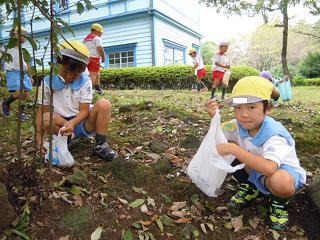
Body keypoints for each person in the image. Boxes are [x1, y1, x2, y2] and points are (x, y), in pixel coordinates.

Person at [206, 76, 306, 230]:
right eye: (238, 108)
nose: (243, 114)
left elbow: (269, 169)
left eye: (251, 107)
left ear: (268, 108)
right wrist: (214, 117)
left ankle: (278, 204)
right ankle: (250, 186)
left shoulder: (275, 134)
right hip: (255, 171)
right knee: (224, 144)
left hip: (280, 175)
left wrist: (234, 149)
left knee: (281, 181)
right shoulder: (236, 125)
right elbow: (217, 135)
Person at [36, 40, 117, 161]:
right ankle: (66, 140)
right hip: (61, 126)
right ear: (56, 64)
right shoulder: (48, 83)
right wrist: (39, 138)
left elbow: (84, 111)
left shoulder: (85, 81)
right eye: (65, 72)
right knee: (47, 117)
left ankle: (100, 144)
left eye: (75, 75)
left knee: (104, 104)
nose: (69, 77)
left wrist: (72, 123)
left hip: (82, 123)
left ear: (82, 71)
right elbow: (42, 112)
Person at [0, 27, 33, 121]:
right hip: (13, 72)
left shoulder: (24, 51)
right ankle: (6, 103)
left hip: (24, 73)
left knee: (25, 94)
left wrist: (30, 76)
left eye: (25, 36)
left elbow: (28, 64)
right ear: (14, 35)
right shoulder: (7, 48)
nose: (23, 38)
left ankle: (21, 112)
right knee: (21, 91)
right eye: (21, 35)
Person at [83, 23, 106, 94]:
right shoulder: (96, 38)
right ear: (96, 31)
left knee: (97, 73)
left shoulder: (85, 39)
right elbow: (100, 48)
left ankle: (98, 89)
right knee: (93, 74)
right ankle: (87, 91)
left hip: (86, 58)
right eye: (100, 32)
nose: (101, 34)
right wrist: (103, 57)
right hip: (94, 58)